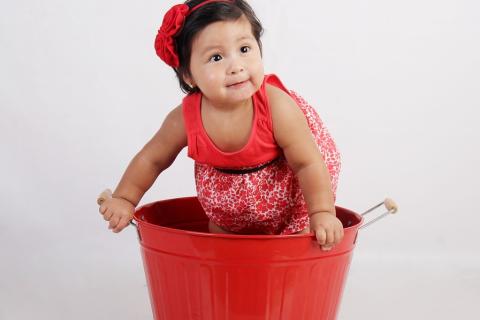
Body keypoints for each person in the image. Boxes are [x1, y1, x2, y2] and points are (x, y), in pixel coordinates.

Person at [99, 0, 343, 250]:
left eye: (245, 49)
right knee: (223, 246)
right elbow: (151, 159)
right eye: (216, 57)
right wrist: (125, 198)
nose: (236, 66)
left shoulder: (276, 106)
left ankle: (291, 265)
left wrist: (322, 212)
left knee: (295, 247)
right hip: (227, 206)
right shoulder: (185, 118)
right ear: (189, 75)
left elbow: (308, 163)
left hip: (290, 193)